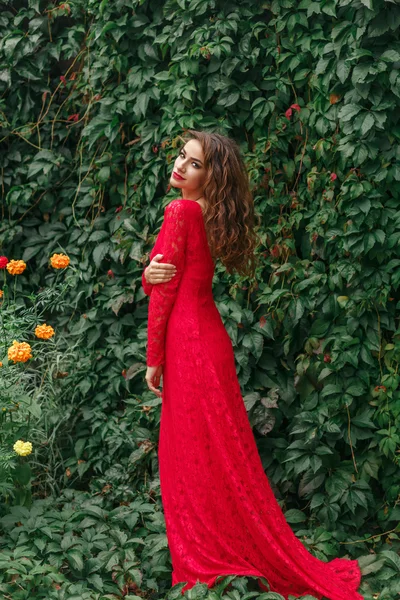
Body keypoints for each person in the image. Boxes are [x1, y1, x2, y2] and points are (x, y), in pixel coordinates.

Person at [142, 130, 363, 600]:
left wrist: (153, 359)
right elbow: (169, 275)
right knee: (217, 450)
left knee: (190, 453)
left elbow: (164, 292)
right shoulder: (204, 212)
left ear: (211, 177)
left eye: (195, 163)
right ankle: (228, 541)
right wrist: (149, 274)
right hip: (209, 338)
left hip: (187, 342)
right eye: (182, 155)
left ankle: (205, 553)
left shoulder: (180, 210)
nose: (181, 165)